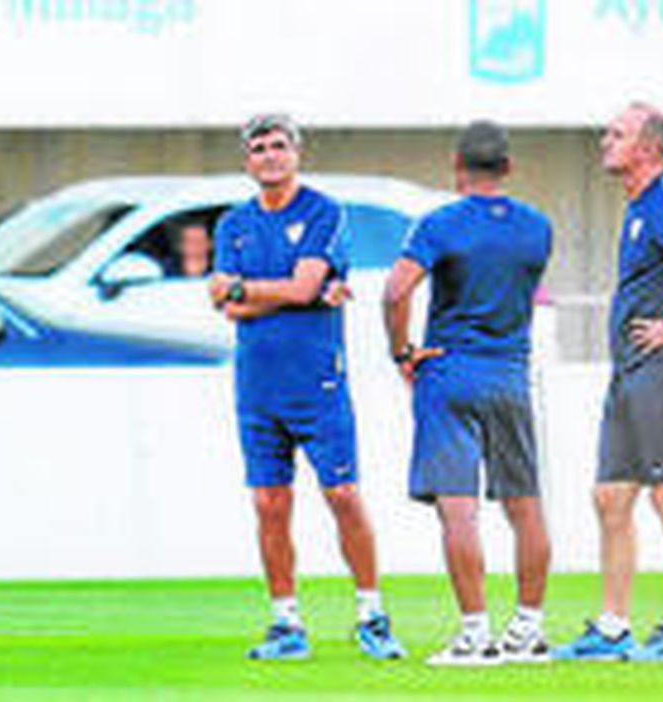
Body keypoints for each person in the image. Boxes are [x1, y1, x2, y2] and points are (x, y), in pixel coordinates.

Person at [208, 114, 403, 661]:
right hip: (256, 383)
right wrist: (291, 293)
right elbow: (225, 305)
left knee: (342, 495)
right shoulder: (233, 224)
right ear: (247, 161)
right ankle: (286, 623)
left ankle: (371, 613)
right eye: (259, 148)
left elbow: (299, 286)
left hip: (317, 380)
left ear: (296, 153)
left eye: (279, 146)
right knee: (270, 502)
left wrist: (259, 290)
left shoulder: (322, 211)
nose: (270, 156)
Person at [554, 102, 663, 663]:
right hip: (631, 373)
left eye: (617, 134)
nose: (605, 141)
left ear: (648, 148)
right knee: (610, 497)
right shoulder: (636, 208)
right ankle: (612, 628)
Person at [383, 120, 554, 666]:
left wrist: (403, 351)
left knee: (458, 510)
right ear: (508, 168)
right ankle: (528, 629)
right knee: (524, 505)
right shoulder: (538, 227)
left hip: (450, 369)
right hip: (510, 373)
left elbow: (394, 292)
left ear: (457, 167)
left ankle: (476, 634)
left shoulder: (439, 224)